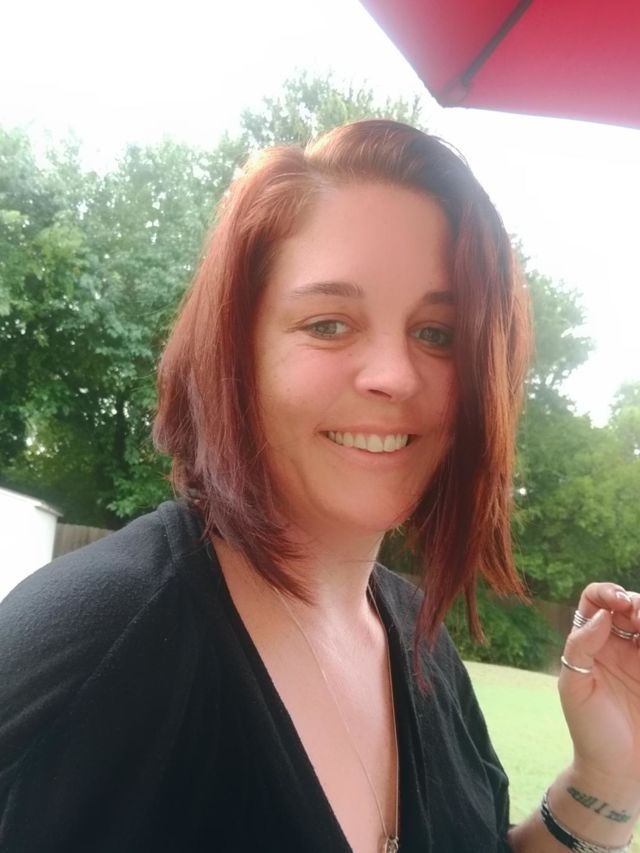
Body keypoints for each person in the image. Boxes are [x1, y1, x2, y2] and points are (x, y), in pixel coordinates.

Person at [0, 119, 639, 853]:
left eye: (437, 333)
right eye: (329, 324)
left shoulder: (425, 650)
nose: (394, 375)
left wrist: (609, 776)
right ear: (237, 350)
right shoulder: (92, 645)